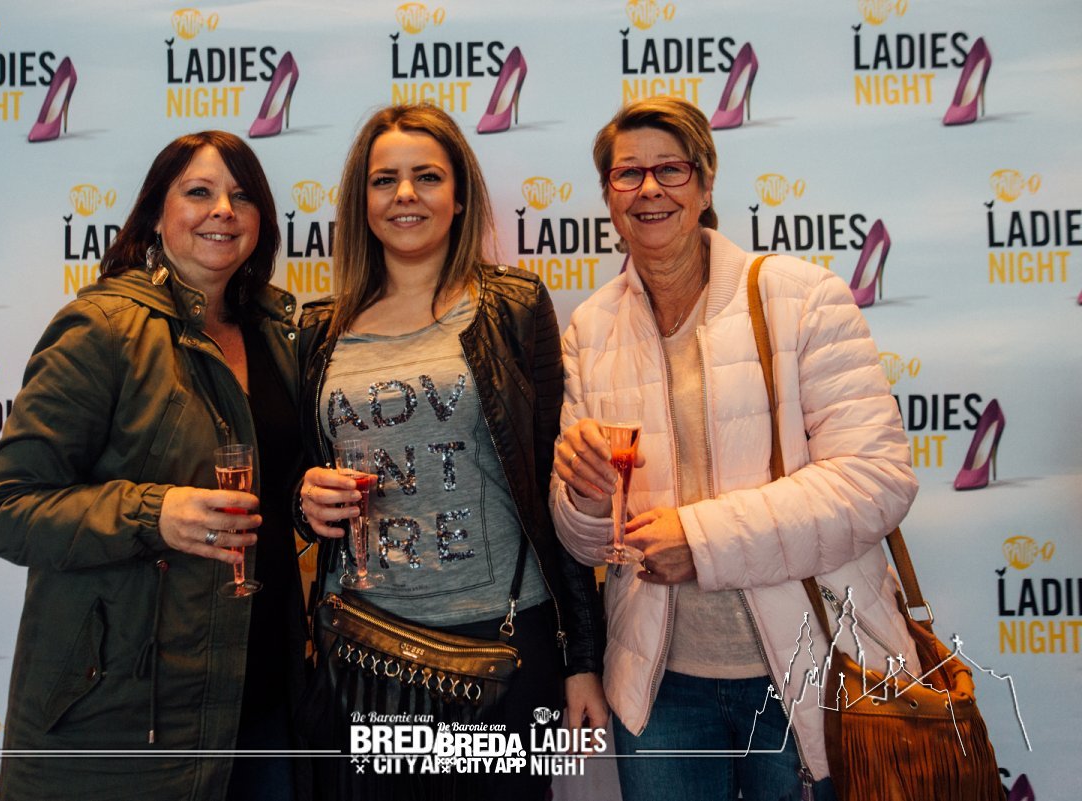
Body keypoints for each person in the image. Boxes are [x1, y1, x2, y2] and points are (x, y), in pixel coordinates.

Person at [549, 96, 920, 800]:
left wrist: (700, 539)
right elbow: (586, 541)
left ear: (707, 182)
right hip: (659, 689)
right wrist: (584, 493)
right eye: (628, 173)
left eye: (671, 169)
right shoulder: (591, 328)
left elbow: (876, 481)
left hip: (812, 672)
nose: (649, 189)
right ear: (608, 194)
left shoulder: (801, 296)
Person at [0, 131, 308, 801]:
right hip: (136, 714)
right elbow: (5, 508)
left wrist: (307, 498)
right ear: (156, 213)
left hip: (266, 698)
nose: (223, 210)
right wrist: (156, 512)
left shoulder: (278, 333)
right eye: (199, 192)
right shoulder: (102, 327)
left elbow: (278, 491)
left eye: (242, 196)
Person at [295, 104, 607, 800]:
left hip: (501, 644)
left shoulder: (513, 306)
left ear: (459, 196)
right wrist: (302, 500)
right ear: (361, 201)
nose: (405, 195)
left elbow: (552, 487)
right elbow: (294, 483)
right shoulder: (318, 330)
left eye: (427, 177)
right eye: (385, 180)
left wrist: (582, 658)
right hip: (366, 651)